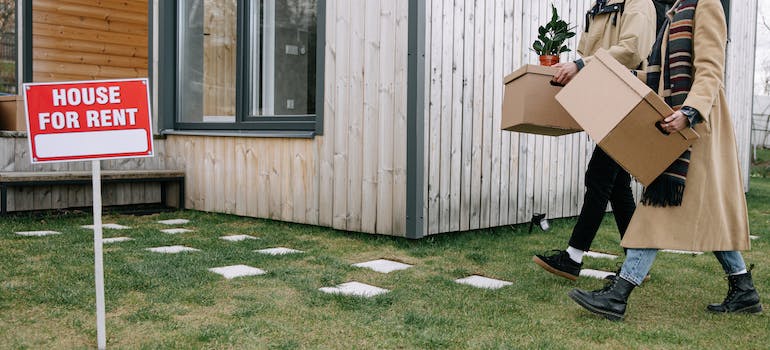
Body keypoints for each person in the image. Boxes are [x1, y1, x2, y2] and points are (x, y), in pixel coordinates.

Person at [568, 0, 762, 321]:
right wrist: (622, 77)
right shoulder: (674, 12)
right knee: (708, 212)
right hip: (679, 125)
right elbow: (660, 78)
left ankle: (620, 294)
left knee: (657, 208)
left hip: (696, 128)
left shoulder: (706, 5)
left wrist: (689, 112)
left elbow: (711, 68)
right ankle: (744, 290)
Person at [533, 0, 656, 281]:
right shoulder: (601, 6)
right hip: (607, 96)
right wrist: (570, 65)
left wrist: (581, 65)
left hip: (629, 96)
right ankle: (637, 264)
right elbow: (586, 50)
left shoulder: (639, 4)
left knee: (599, 176)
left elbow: (632, 49)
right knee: (618, 186)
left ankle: (573, 257)